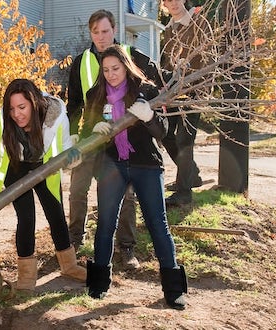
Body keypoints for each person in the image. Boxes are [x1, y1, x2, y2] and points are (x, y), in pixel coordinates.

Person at [0, 79, 86, 290]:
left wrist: (73, 157)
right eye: (12, 109)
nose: (17, 114)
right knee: (26, 218)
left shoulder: (56, 116)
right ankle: (27, 276)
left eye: (22, 107)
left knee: (56, 214)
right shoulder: (2, 121)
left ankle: (69, 265)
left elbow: (65, 148)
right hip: (17, 168)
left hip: (45, 167)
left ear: (34, 103)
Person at [83, 45, 187, 309]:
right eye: (105, 70)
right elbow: (86, 133)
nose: (111, 74)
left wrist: (150, 116)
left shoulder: (146, 91)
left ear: (126, 65)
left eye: (115, 68)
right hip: (112, 165)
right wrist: (95, 131)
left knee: (157, 224)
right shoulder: (95, 94)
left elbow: (163, 132)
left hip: (145, 164)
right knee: (106, 223)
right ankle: (98, 285)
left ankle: (174, 290)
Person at [66, 9, 162, 269]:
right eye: (95, 32)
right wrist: (74, 133)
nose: (100, 37)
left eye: (105, 31)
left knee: (126, 195)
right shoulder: (82, 62)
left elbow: (154, 86)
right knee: (77, 190)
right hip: (90, 138)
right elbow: (74, 102)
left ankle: (126, 247)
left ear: (115, 31)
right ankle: (74, 240)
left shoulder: (134, 57)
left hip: (123, 139)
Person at [160, 0, 213, 206]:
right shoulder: (168, 29)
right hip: (174, 93)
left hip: (195, 91)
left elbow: (209, 58)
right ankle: (192, 175)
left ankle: (184, 193)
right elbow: (167, 61)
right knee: (165, 133)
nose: (172, 3)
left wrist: (191, 73)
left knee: (184, 139)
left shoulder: (199, 23)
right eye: (167, 0)